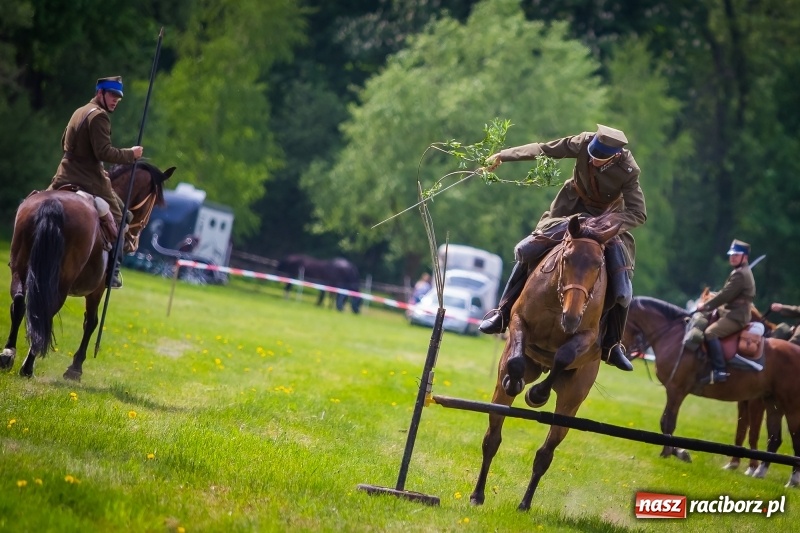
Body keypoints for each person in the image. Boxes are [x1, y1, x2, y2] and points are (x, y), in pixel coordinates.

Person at [477, 124, 646, 372]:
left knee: (622, 287)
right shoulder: (584, 143)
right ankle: (502, 313)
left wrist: (605, 225)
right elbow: (544, 149)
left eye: (601, 159)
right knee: (526, 250)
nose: (594, 161)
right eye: (593, 154)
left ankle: (612, 344)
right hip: (569, 210)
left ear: (616, 155)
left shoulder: (629, 170)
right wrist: (503, 155)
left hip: (604, 222)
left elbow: (638, 213)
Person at [47, 76, 144, 289]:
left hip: (64, 174)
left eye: (118, 97)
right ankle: (113, 273)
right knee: (123, 217)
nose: (115, 100)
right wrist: (131, 154)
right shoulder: (100, 117)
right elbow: (104, 152)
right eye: (111, 95)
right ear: (100, 93)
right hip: (87, 178)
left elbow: (64, 142)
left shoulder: (79, 111)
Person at [696, 239, 756, 383]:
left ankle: (720, 370)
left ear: (745, 257)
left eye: (736, 255)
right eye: (731, 254)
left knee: (711, 333)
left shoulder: (740, 274)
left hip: (736, 316)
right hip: (731, 311)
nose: (732, 257)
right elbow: (726, 293)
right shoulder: (739, 271)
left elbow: (725, 296)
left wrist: (706, 306)